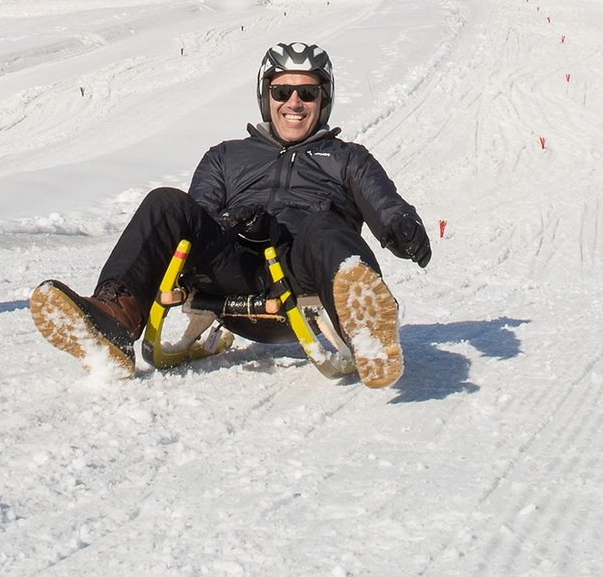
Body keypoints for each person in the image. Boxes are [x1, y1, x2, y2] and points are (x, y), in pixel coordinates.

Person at [29, 42, 432, 388]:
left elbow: (386, 207)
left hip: (302, 270)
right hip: (232, 270)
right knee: (166, 201)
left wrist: (404, 228)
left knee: (326, 224)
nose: (294, 103)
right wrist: (234, 223)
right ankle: (114, 319)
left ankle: (366, 331)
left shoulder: (348, 159)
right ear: (265, 96)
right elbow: (197, 217)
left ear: (323, 100)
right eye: (282, 92)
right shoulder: (225, 156)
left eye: (307, 93)